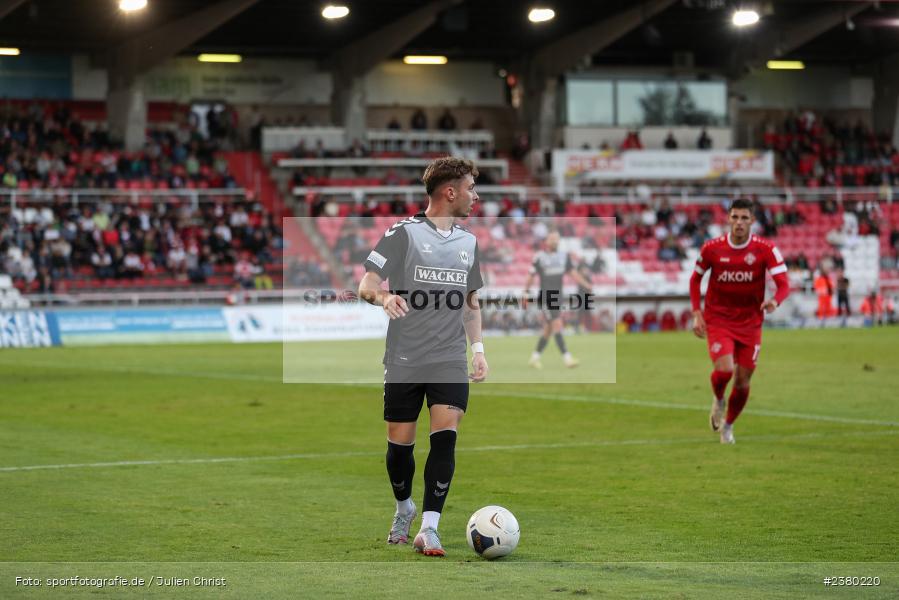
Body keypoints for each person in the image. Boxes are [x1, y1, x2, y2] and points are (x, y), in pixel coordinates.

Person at [358, 157, 487, 557]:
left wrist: (478, 350)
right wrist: (385, 297)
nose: (475, 196)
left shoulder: (469, 242)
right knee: (400, 452)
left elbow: (470, 302)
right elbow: (366, 284)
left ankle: (429, 528)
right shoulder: (403, 233)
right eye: (470, 188)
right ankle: (404, 507)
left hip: (449, 358)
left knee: (445, 440)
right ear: (450, 192)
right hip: (404, 358)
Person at [690, 198, 790, 444]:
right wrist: (696, 313)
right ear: (728, 219)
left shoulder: (765, 249)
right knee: (724, 370)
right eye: (735, 217)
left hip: (750, 323)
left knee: (743, 381)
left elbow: (784, 283)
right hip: (719, 319)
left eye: (744, 218)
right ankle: (718, 399)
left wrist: (775, 301)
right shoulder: (711, 248)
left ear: (752, 221)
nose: (739, 223)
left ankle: (728, 427)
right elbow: (695, 280)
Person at [524, 230, 594, 369]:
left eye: (557, 239)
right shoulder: (540, 257)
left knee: (548, 330)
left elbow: (573, 273)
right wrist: (526, 292)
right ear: (546, 241)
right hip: (546, 297)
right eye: (552, 238)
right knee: (557, 325)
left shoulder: (564, 257)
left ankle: (534, 358)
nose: (555, 241)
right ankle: (567, 358)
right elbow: (531, 275)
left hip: (558, 297)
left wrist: (586, 285)